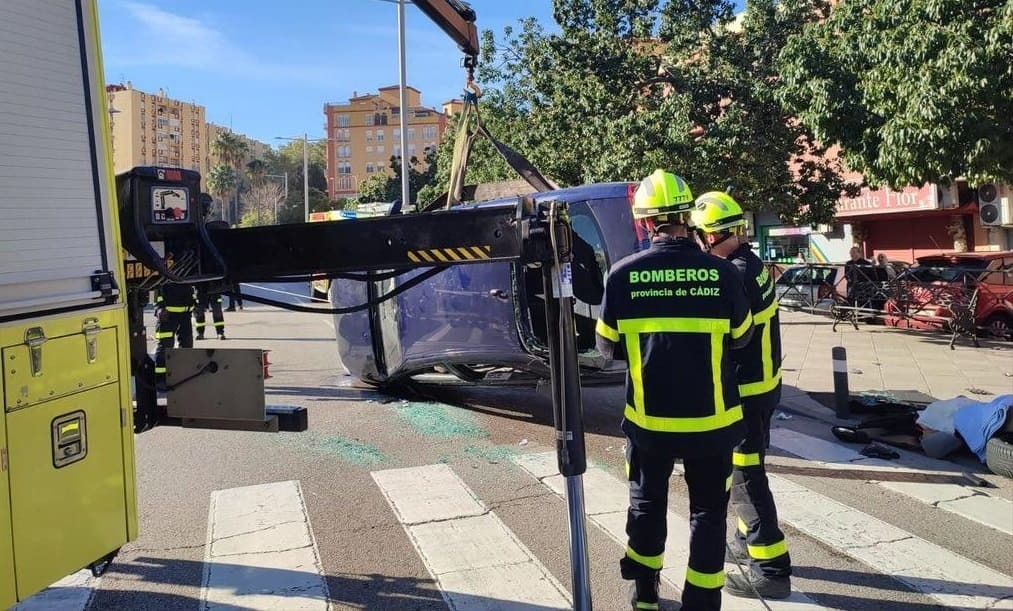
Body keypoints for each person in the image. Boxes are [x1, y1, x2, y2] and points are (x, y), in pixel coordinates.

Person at [596, 170, 753, 611]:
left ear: (644, 223)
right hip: (715, 422)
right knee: (708, 513)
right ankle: (701, 604)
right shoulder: (722, 273)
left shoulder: (622, 275)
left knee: (647, 507)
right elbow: (741, 337)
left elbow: (607, 349)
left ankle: (645, 596)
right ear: (688, 216)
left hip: (650, 423)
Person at [692, 191, 792, 599]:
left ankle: (770, 568)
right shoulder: (748, 264)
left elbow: (726, 338)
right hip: (764, 386)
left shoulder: (732, 276)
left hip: (748, 393)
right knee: (746, 468)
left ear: (709, 236)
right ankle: (745, 540)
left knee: (744, 476)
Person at [153, 282, 195, 385]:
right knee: (165, 347)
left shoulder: (186, 269)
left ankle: (183, 374)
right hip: (167, 315)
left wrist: (195, 303)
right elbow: (155, 289)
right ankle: (160, 379)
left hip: (185, 314)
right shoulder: (164, 268)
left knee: (187, 345)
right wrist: (159, 307)